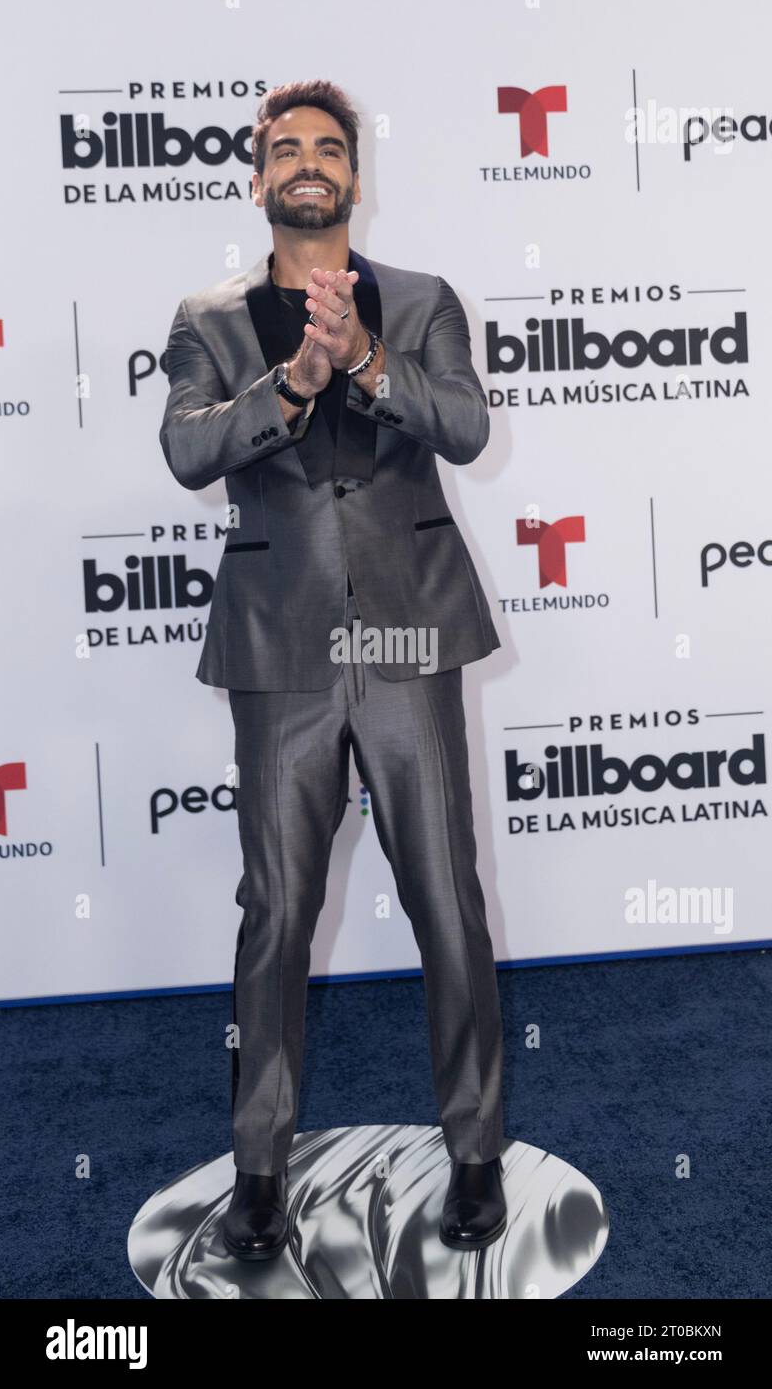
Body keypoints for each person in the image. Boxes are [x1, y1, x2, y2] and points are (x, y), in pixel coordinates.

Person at [159, 79, 507, 1261]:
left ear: (354, 175)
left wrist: (363, 362)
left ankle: (473, 1151)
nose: (307, 163)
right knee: (276, 912)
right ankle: (259, 1169)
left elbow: (461, 427)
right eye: (284, 150)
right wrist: (295, 383)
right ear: (256, 179)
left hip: (409, 637)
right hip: (280, 649)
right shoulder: (207, 318)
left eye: (327, 147)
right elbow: (187, 448)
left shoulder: (419, 301)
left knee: (446, 904)